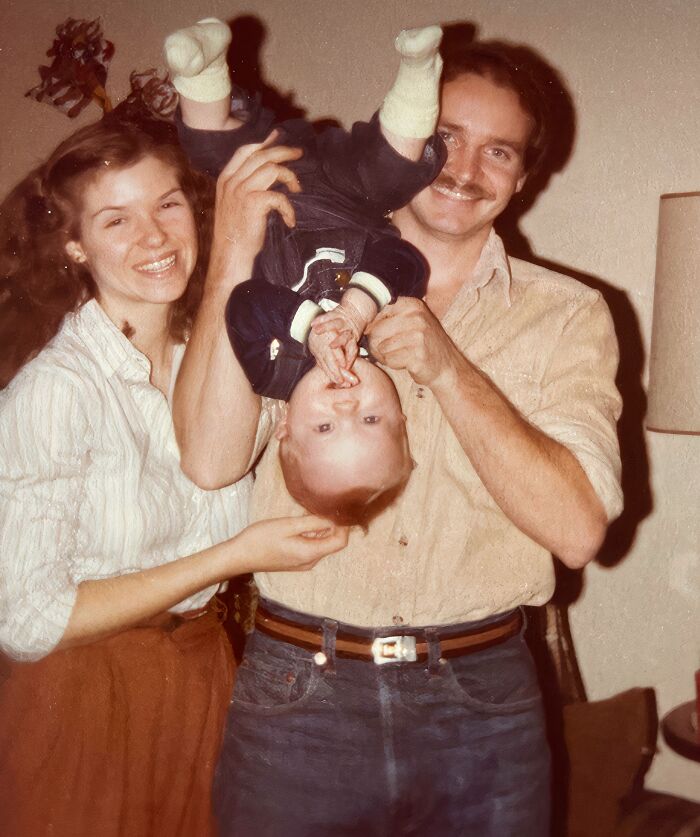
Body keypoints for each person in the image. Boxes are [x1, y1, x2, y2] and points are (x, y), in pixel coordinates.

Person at [173, 35, 624, 837]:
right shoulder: (294, 268)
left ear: (524, 176)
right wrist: (234, 252)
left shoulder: (570, 315)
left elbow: (579, 528)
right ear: (401, 133)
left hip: (482, 708)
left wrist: (451, 372)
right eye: (444, 138)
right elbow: (210, 463)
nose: (462, 169)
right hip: (298, 701)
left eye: (499, 152)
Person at [0, 115, 348, 837]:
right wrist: (234, 556)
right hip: (83, 699)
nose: (154, 237)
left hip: (205, 681)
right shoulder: (57, 389)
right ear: (74, 244)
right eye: (115, 219)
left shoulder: (226, 358)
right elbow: (28, 622)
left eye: (166, 203)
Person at [164, 20, 443, 522]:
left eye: (325, 430)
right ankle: (420, 69)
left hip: (270, 186)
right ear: (402, 413)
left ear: (286, 426)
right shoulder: (387, 336)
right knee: (395, 169)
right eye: (372, 418)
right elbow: (404, 260)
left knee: (209, 147)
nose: (346, 407)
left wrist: (309, 330)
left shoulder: (274, 370)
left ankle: (202, 64)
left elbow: (245, 304)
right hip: (348, 189)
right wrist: (357, 311)